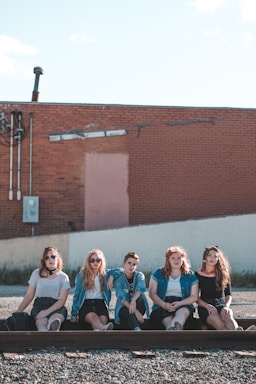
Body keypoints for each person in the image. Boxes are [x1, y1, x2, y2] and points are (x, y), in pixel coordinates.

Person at [16, 246, 70, 331]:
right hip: (40, 305)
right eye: (47, 258)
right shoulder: (36, 273)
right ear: (44, 261)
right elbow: (29, 295)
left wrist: (47, 312)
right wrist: (18, 311)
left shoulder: (63, 277)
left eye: (53, 256)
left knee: (55, 319)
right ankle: (45, 336)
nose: (50, 259)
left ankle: (52, 328)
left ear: (58, 258)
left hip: (56, 306)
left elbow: (62, 300)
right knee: (41, 323)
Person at [70, 249, 122, 331]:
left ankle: (99, 334)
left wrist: (111, 277)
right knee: (93, 318)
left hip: (100, 304)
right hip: (86, 304)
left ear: (101, 262)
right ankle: (102, 328)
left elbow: (121, 270)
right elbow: (76, 295)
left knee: (103, 320)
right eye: (92, 260)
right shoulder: (82, 275)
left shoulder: (105, 274)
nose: (95, 262)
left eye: (98, 260)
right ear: (88, 262)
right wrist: (74, 314)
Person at [149, 246, 198, 330]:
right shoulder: (158, 273)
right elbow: (152, 293)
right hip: (162, 303)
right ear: (168, 260)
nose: (176, 260)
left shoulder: (190, 275)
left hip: (183, 303)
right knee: (168, 320)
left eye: (179, 258)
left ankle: (175, 327)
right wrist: (163, 304)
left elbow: (194, 296)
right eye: (173, 258)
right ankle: (171, 330)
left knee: (182, 313)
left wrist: (179, 304)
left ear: (183, 259)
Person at [195, 245, 240, 330]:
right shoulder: (197, 274)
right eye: (209, 255)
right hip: (206, 307)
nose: (212, 258)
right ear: (204, 258)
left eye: (215, 256)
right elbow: (195, 297)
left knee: (228, 316)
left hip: (221, 305)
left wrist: (226, 306)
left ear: (218, 259)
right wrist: (207, 306)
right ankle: (241, 336)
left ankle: (239, 334)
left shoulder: (223, 274)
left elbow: (228, 295)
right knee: (220, 324)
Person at [114, 251, 150, 331]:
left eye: (134, 264)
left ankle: (136, 328)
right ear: (124, 264)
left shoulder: (139, 276)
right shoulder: (119, 280)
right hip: (124, 307)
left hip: (138, 304)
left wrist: (133, 300)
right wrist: (136, 312)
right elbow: (121, 297)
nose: (131, 266)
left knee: (140, 297)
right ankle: (137, 330)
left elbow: (140, 288)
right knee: (128, 312)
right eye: (129, 263)